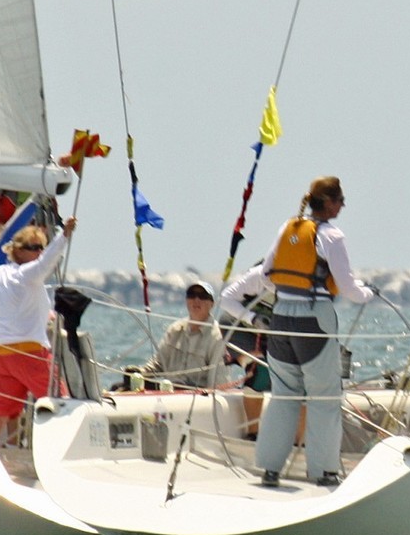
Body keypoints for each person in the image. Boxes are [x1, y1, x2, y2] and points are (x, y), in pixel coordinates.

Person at [256, 176, 374, 488]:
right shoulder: (332, 236)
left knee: (283, 396)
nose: (343, 205)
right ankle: (323, 471)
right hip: (315, 318)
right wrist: (368, 294)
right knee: (325, 398)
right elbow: (348, 288)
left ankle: (270, 469)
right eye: (340, 200)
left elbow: (267, 274)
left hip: (280, 316)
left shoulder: (288, 227)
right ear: (329, 202)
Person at [0, 217, 77, 446]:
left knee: (0, 417)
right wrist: (64, 235)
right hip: (29, 354)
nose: (39, 251)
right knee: (61, 405)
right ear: (18, 251)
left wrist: (2, 305)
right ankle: (60, 456)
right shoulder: (29, 274)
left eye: (41, 247)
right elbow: (47, 262)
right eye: (34, 247)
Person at [130, 282, 230, 389]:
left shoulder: (218, 337)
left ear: (212, 304)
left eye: (203, 296)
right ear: (186, 300)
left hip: (197, 395)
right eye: (191, 295)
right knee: (120, 386)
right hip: (168, 389)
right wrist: (139, 372)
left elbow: (219, 381)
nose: (196, 300)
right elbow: (159, 364)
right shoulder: (175, 329)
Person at [220, 262, 276, 439]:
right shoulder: (258, 275)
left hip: (275, 335)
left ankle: (300, 441)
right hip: (240, 329)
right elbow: (225, 299)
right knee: (259, 371)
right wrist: (253, 318)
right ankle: (253, 434)